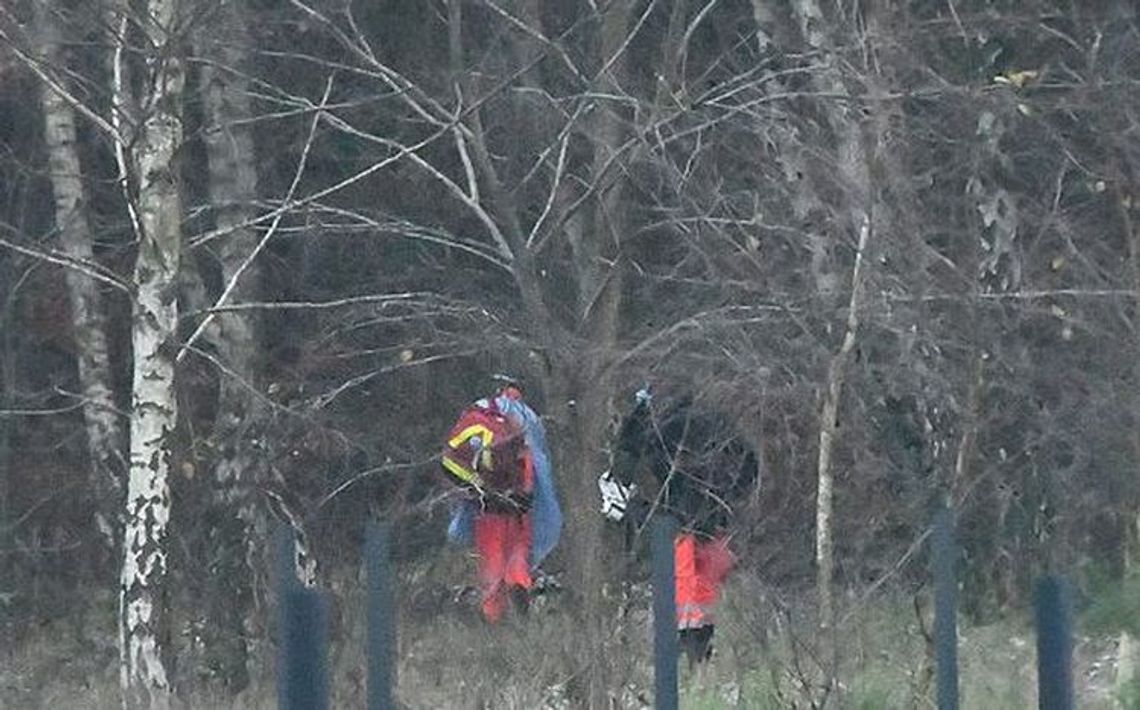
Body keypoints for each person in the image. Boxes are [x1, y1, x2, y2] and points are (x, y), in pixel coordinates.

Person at [599, 385, 759, 665]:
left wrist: (638, 413)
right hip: (716, 517)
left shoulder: (669, 428)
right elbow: (750, 464)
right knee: (706, 586)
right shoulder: (717, 423)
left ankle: (688, 647)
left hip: (682, 517)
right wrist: (732, 496)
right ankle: (702, 648)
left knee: (685, 583)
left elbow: (630, 447)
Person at [442, 378, 561, 622]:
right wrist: (526, 495)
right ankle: (518, 588)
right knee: (519, 551)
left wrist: (477, 490)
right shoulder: (527, 419)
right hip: (517, 502)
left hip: (488, 504)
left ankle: (493, 613)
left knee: (492, 558)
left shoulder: (479, 413)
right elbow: (536, 464)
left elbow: (452, 460)